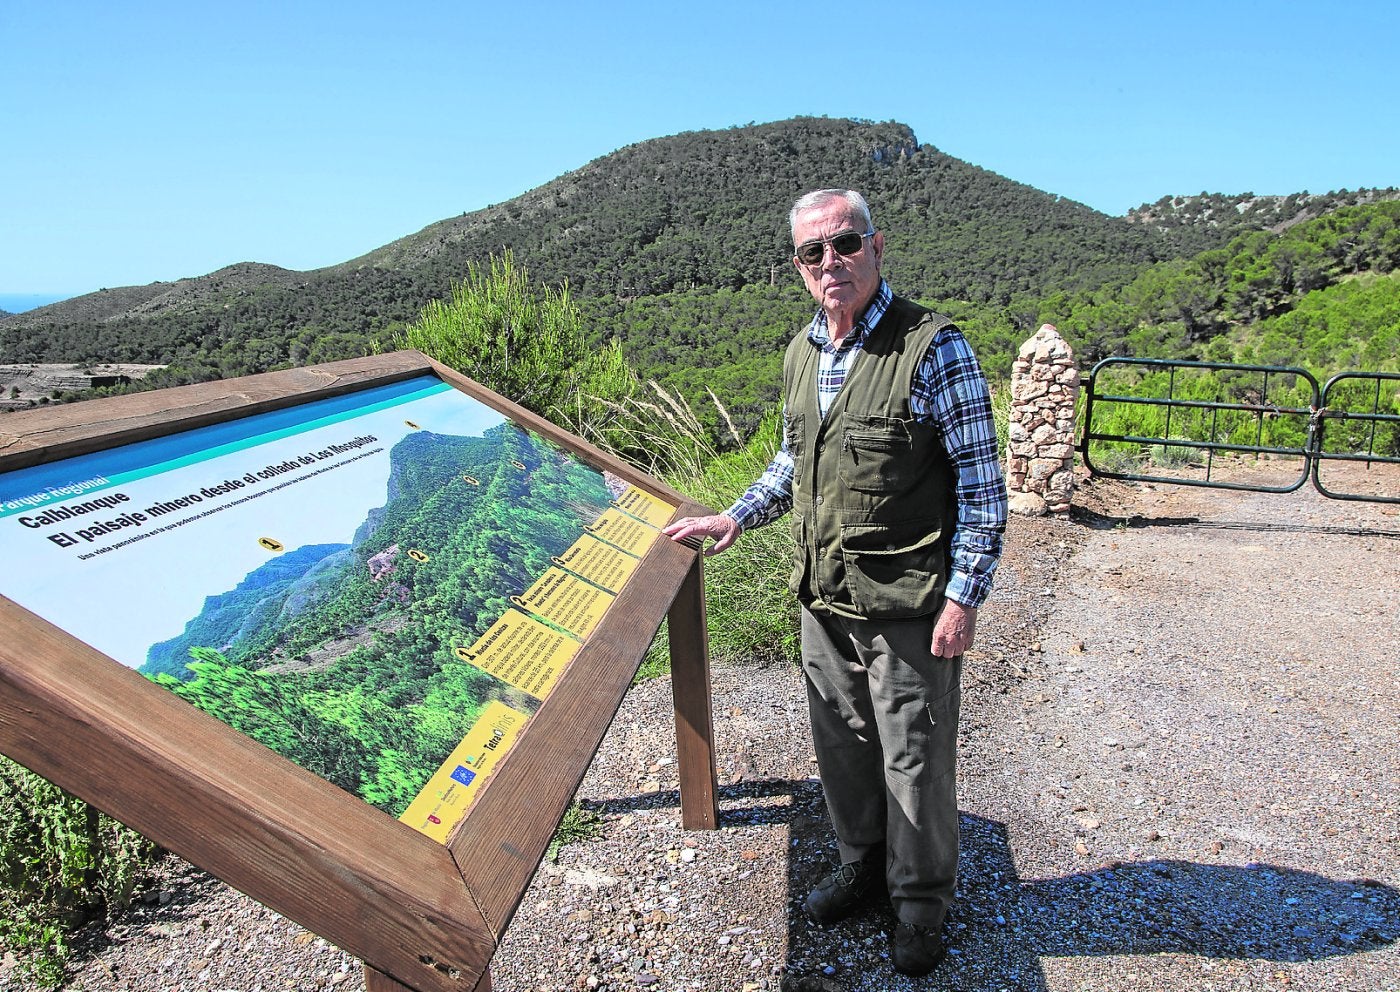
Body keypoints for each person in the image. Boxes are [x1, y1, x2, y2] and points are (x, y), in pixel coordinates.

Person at [663, 188, 1007, 977]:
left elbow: (983, 490)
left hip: (908, 604)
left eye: (845, 243)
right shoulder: (803, 352)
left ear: (876, 247)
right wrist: (736, 516)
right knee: (843, 749)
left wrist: (963, 597)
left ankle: (920, 905)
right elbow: (794, 460)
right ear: (799, 266)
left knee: (915, 759)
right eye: (813, 252)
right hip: (823, 598)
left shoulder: (933, 349)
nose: (831, 262)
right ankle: (863, 866)